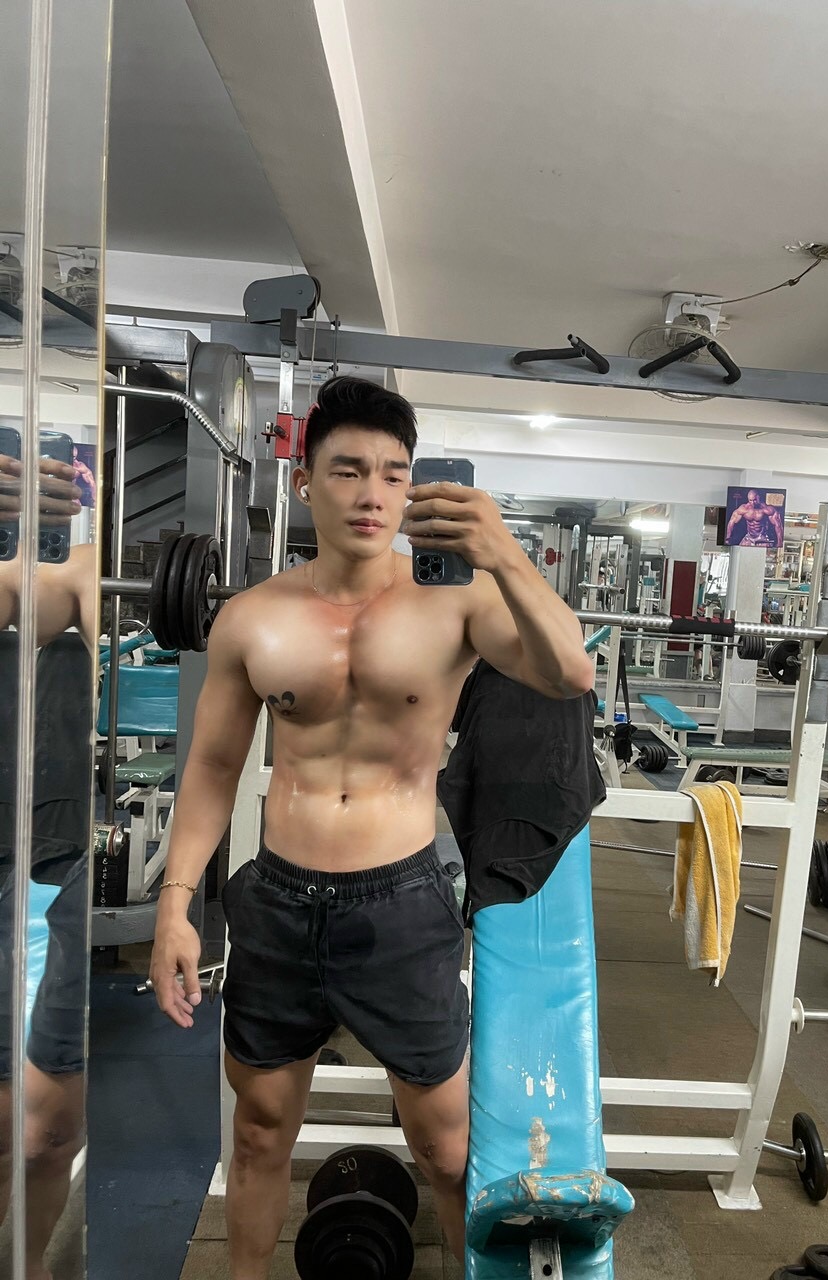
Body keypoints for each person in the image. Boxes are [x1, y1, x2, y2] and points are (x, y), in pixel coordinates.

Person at [148, 376, 595, 1279]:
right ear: (304, 481)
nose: (372, 494)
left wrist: (506, 555)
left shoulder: (457, 604)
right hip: (277, 902)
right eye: (348, 470)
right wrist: (175, 904)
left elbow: (570, 675)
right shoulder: (253, 618)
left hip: (401, 903)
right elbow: (213, 767)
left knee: (445, 1147)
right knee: (260, 1130)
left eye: (394, 474)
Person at [0, 454, 96, 1280]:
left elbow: (64, 593)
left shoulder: (69, 573)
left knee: (49, 1134)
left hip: (56, 860)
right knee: (15, 1131)